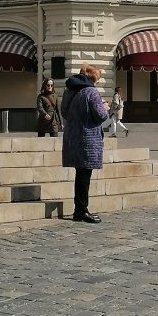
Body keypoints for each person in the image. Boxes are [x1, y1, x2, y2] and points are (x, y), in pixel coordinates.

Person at [61, 64, 109, 222]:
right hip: (88, 138)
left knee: (80, 173)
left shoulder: (69, 90)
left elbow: (64, 112)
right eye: (97, 79)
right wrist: (105, 107)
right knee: (84, 175)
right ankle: (81, 210)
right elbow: (100, 115)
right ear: (93, 78)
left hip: (73, 136)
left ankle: (79, 210)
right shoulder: (91, 92)